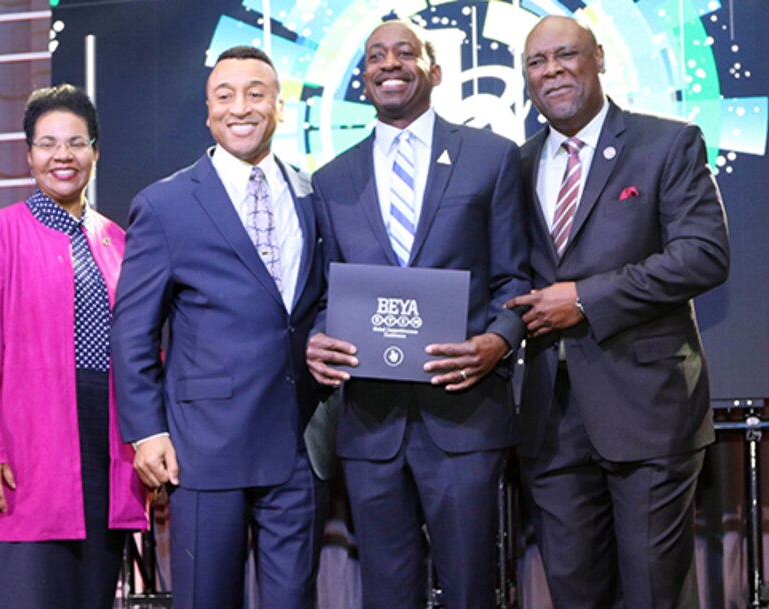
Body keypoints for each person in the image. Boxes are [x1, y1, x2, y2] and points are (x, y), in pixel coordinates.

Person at [506, 15, 731, 609]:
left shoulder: (667, 143)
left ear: (599, 57)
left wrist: (584, 299)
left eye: (565, 55)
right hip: (549, 422)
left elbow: (703, 256)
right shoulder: (516, 165)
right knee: (576, 595)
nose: (551, 70)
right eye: (536, 62)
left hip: (649, 411)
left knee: (656, 593)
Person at [306, 21, 531, 609]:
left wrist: (499, 342)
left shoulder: (492, 158)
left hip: (464, 416)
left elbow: (514, 277)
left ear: (434, 70)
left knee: (471, 589)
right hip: (371, 424)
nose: (389, 64)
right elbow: (322, 293)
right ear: (362, 78)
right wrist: (318, 337)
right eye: (375, 56)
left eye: (405, 52)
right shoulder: (331, 179)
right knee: (385, 594)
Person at [110, 46, 327, 609]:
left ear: (279, 107)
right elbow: (133, 330)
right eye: (225, 96)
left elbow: (317, 300)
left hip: (297, 439)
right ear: (207, 112)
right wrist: (146, 431)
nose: (241, 108)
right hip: (203, 445)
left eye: (256, 94)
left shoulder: (309, 193)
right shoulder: (166, 203)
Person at [0, 83, 147, 609]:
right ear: (30, 154)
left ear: (96, 152)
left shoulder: (120, 241)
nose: (63, 155)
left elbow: (141, 354)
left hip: (103, 447)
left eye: (77, 142)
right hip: (22, 451)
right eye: (48, 143)